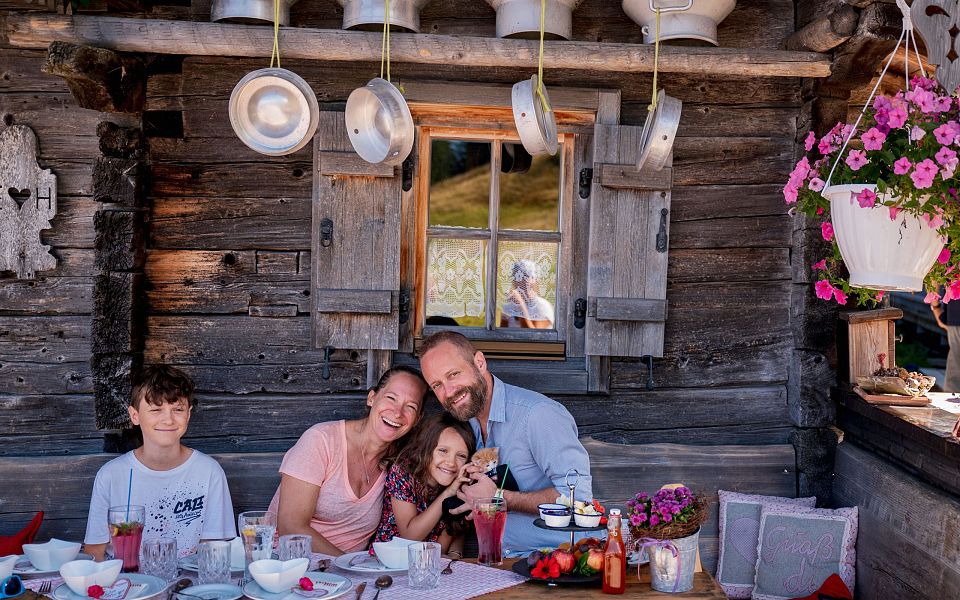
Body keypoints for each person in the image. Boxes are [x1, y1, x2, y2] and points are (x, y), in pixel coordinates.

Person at [418, 331, 592, 554]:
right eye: (437, 385)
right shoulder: (461, 424)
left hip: (560, 558)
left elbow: (579, 498)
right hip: (498, 561)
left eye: (453, 374)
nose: (449, 391)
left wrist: (499, 498)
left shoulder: (538, 414)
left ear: (479, 362)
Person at [270, 366, 428, 555]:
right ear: (372, 398)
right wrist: (349, 567)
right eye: (391, 398)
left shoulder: (401, 465)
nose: (397, 413)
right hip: (291, 566)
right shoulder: (321, 440)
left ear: (417, 419)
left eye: (410, 407)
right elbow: (291, 526)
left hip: (354, 576)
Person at [83, 366, 236, 559]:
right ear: (135, 416)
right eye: (156, 409)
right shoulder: (111, 475)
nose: (168, 419)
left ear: (188, 413)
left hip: (189, 584)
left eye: (177, 409)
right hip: (128, 581)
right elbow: (94, 551)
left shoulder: (209, 472)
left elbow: (215, 548)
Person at [371, 412, 474, 556]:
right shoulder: (403, 473)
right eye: (443, 451)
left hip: (430, 563)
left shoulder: (460, 484)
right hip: (390, 561)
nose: (451, 463)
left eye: (461, 456)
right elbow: (410, 536)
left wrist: (454, 554)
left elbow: (449, 535)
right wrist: (448, 493)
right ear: (426, 449)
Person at [500, 259, 554, 329]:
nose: (524, 281)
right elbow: (502, 334)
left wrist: (521, 306)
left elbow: (534, 337)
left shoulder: (542, 306)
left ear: (535, 280)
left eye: (528, 276)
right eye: (519, 277)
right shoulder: (509, 307)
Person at [931, 296, 960, 391]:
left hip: (956, 315)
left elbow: (932, 281)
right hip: (955, 316)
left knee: (954, 386)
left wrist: (935, 306)